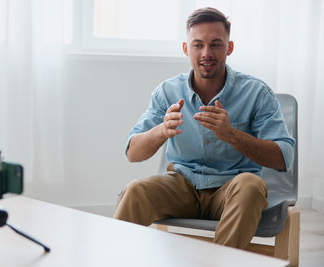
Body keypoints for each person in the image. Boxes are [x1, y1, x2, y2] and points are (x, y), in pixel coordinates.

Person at [113, 7, 295, 250]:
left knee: (251, 186)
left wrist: (232, 135)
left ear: (229, 48)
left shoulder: (256, 93)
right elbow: (133, 153)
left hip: (233, 188)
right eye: (198, 45)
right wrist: (161, 130)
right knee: (135, 190)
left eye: (216, 44)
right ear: (186, 49)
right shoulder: (167, 92)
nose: (206, 53)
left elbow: (284, 158)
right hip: (182, 185)